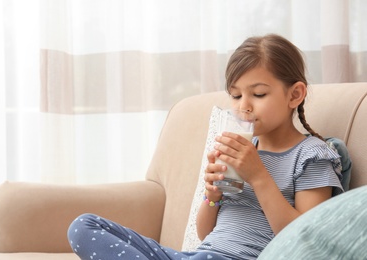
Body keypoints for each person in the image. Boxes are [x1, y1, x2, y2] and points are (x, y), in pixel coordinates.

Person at [67, 34, 344, 260]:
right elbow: (205, 233)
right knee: (83, 226)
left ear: (295, 94)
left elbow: (304, 242)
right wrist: (212, 195)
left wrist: (258, 176)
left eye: (258, 94)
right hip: (198, 255)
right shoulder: (243, 148)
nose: (243, 105)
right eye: (236, 95)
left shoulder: (312, 156)